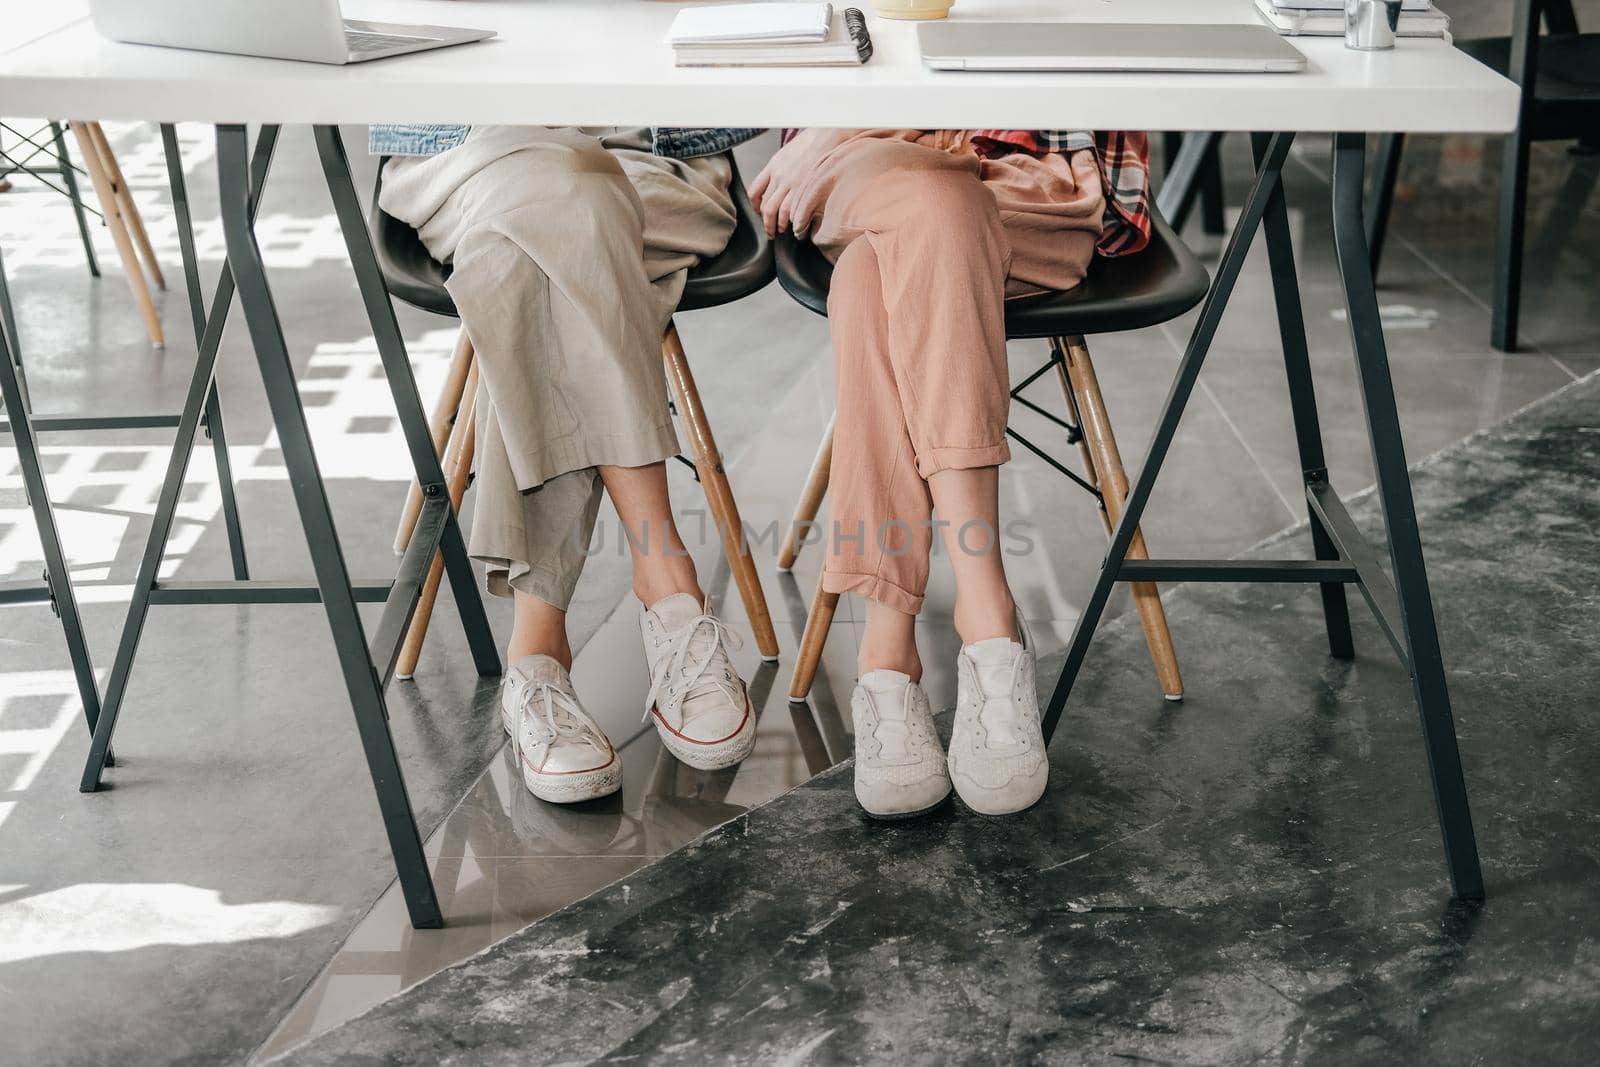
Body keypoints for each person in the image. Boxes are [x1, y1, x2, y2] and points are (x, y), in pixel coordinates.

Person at [751, 128, 1151, 819]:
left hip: (1030, 179)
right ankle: (988, 617)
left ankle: (888, 651)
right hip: (865, 156)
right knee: (933, 205)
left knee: (887, 261)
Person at [370, 123, 765, 804]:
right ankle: (667, 583)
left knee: (529, 256)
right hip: (471, 157)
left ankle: (537, 652)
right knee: (564, 220)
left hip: (652, 167)